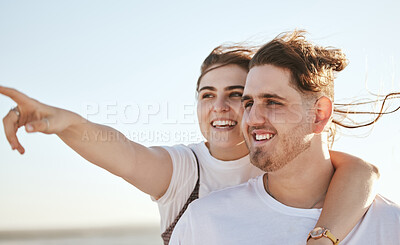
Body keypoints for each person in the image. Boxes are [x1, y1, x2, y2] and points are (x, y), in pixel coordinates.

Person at [0, 44, 380, 245]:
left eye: (237, 94)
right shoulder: (186, 169)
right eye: (206, 95)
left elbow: (361, 172)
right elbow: (124, 154)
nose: (220, 108)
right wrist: (66, 122)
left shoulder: (279, 155)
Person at [169, 31, 400, 245]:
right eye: (249, 103)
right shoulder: (203, 223)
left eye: (272, 102)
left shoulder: (389, 225)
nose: (252, 119)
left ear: (319, 115)